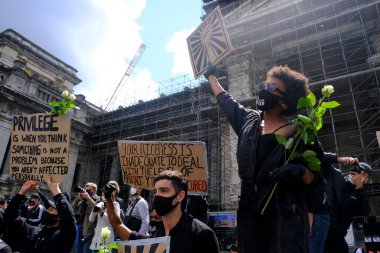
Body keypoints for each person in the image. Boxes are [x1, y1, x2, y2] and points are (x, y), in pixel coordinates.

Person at [205, 65, 324, 253]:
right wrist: (210, 76)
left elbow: (316, 179)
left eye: (271, 88)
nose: (263, 90)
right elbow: (226, 100)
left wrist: (299, 171)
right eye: (263, 85)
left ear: (285, 101)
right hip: (249, 210)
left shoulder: (301, 132)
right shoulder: (249, 121)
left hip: (285, 213)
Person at [105, 170, 220, 253]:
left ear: (180, 196)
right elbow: (118, 225)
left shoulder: (202, 234)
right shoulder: (156, 235)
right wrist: (109, 199)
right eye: (155, 191)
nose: (157, 195)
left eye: (164, 190)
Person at [3, 176, 77, 253]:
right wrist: (22, 192)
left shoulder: (61, 238)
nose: (48, 210)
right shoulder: (33, 232)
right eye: (48, 208)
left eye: (52, 209)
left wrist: (55, 189)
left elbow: (69, 222)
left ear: (60, 218)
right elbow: (11, 217)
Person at [309, 153, 358, 253]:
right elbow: (319, 156)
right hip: (324, 225)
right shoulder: (327, 172)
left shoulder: (339, 178)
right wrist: (340, 158)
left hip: (336, 231)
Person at [324, 162, 372, 253]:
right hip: (324, 229)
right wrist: (338, 158)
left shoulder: (361, 192)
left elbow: (363, 213)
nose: (366, 179)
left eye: (367, 177)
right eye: (365, 175)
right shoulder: (338, 179)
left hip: (339, 234)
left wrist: (359, 188)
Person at [71, 182, 100, 253]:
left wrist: (88, 198)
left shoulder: (98, 199)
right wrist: (78, 198)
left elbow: (97, 209)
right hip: (79, 225)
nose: (87, 192)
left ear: (95, 190)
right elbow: (72, 208)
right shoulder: (82, 199)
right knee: (78, 249)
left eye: (89, 190)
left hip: (89, 229)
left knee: (86, 250)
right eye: (86, 190)